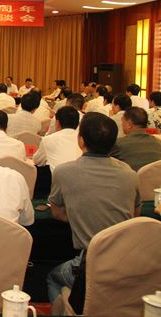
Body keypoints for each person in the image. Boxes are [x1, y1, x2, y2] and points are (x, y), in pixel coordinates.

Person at [46, 113, 140, 304]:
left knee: (53, 278)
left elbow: (57, 212)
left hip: (90, 263)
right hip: (128, 262)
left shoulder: (64, 172)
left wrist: (82, 216)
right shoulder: (130, 174)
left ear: (81, 141)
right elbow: (134, 216)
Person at [34, 106, 82, 172]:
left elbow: (37, 161)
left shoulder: (48, 139)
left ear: (57, 122)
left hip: (58, 177)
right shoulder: (83, 139)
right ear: (78, 123)